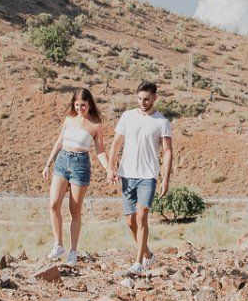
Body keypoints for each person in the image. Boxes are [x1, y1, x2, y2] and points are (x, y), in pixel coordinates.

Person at [108, 80, 174, 277]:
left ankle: (138, 262)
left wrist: (165, 179)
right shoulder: (127, 116)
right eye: (139, 99)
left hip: (148, 175)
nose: (143, 103)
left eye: (146, 99)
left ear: (154, 98)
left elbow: (168, 151)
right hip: (127, 175)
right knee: (130, 221)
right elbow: (116, 143)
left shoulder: (161, 122)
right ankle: (147, 254)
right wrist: (111, 167)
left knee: (141, 215)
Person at [41, 87, 110, 265]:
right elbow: (59, 142)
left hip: (80, 165)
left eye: (83, 105)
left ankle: (73, 251)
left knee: (75, 210)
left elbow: (100, 150)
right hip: (62, 161)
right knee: (53, 203)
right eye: (77, 105)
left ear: (90, 104)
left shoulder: (95, 124)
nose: (80, 108)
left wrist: (108, 168)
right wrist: (48, 164)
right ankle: (58, 245)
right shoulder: (69, 119)